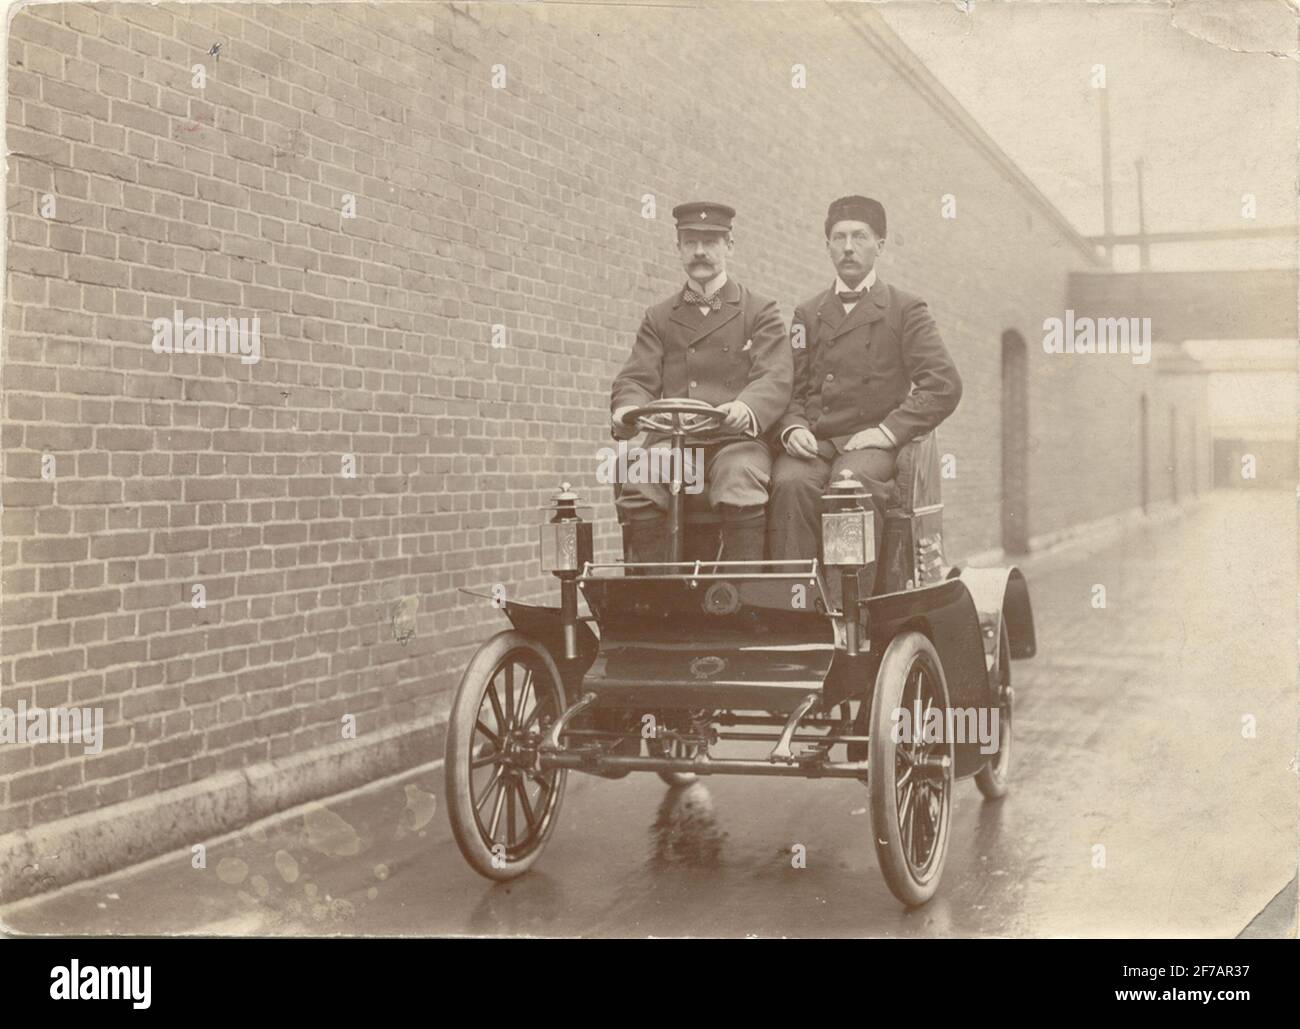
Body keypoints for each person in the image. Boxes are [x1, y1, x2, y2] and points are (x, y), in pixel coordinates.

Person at [767, 195, 962, 572]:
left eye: (860, 237)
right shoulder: (806, 314)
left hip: (871, 442)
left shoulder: (906, 309)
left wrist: (888, 432)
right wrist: (791, 428)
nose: (849, 247)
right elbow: (790, 386)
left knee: (849, 484)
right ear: (827, 247)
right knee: (790, 483)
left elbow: (943, 384)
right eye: (839, 238)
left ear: (880, 246)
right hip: (817, 440)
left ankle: (849, 615)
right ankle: (795, 608)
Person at [611, 201, 792, 563]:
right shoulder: (660, 317)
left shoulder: (760, 311)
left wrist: (746, 407)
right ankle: (654, 601)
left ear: (729, 246)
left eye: (711, 242)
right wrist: (628, 409)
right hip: (678, 444)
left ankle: (743, 600)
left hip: (736, 441)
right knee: (640, 473)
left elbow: (774, 374)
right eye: (690, 241)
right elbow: (637, 377)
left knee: (738, 477)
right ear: (678, 248)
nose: (700, 252)